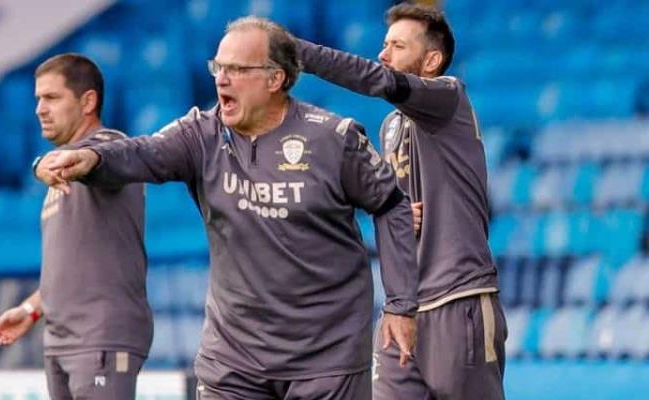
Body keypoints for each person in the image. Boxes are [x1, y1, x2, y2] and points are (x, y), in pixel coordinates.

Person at [37, 17, 418, 399]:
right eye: (218, 67)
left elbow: (392, 206)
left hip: (326, 360)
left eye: (237, 69)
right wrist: (92, 157)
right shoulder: (200, 134)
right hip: (234, 362)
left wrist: (400, 305)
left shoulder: (333, 138)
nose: (222, 79)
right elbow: (141, 152)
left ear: (275, 79)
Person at [295, 3, 507, 399]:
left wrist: (296, 52)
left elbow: (375, 80)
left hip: (456, 299)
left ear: (431, 60)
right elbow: (386, 201)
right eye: (384, 44)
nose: (383, 54)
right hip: (402, 309)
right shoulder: (391, 125)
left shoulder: (449, 97)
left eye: (397, 46)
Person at [0, 53, 152, 400]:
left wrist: (39, 163)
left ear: (88, 102)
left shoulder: (111, 147)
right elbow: (74, 265)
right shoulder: (58, 178)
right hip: (60, 342)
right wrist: (30, 309)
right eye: (38, 99)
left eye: (52, 97)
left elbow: (89, 160)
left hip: (101, 335)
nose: (39, 109)